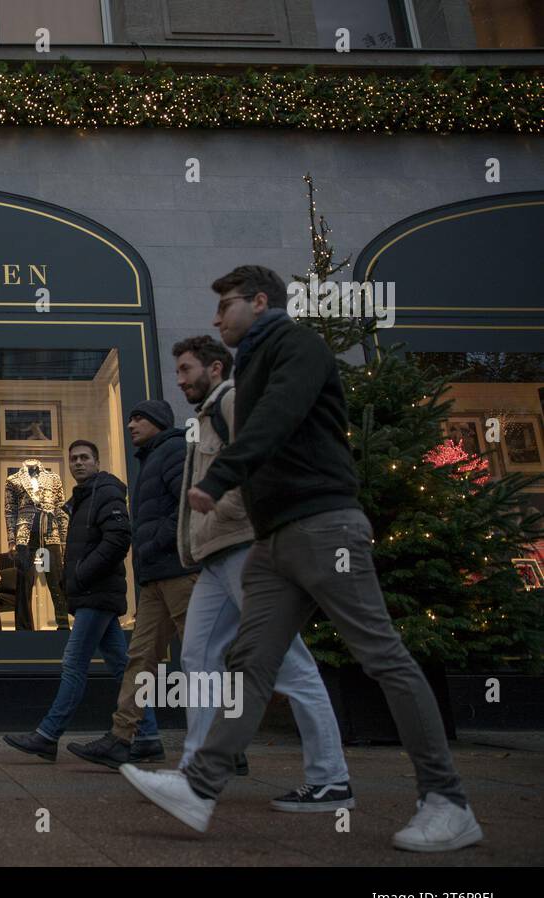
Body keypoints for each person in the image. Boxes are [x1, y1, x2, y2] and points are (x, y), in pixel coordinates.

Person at [122, 265, 482, 853]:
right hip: (271, 543)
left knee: (381, 655)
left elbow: (278, 419)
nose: (217, 318)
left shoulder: (299, 347)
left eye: (225, 306)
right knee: (249, 668)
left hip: (324, 527)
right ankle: (200, 786)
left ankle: (447, 800)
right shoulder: (252, 365)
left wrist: (222, 479)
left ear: (260, 302)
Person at [172, 334, 352, 810]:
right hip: (215, 557)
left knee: (291, 664)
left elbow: (260, 462)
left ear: (214, 369)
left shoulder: (233, 401)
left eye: (186, 369)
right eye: (177, 371)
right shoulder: (208, 413)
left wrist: (218, 513)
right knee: (197, 657)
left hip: (243, 549)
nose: (180, 379)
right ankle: (196, 772)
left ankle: (331, 778)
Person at [2, 440, 158, 760]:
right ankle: (148, 735)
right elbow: (10, 511)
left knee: (74, 663)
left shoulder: (105, 492)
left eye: (84, 458)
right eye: (73, 459)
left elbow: (118, 538)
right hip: (90, 591)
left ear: (97, 461)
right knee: (121, 666)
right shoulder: (83, 497)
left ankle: (48, 734)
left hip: (96, 593)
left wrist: (82, 574)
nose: (78, 463)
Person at [67, 402, 196, 769]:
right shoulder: (150, 458)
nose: (130, 424)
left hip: (179, 571)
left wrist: (154, 541)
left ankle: (225, 745)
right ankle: (124, 737)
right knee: (138, 659)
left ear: (157, 422)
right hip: (155, 577)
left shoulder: (172, 451)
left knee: (200, 657)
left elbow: (188, 506)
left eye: (138, 418)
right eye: (130, 418)